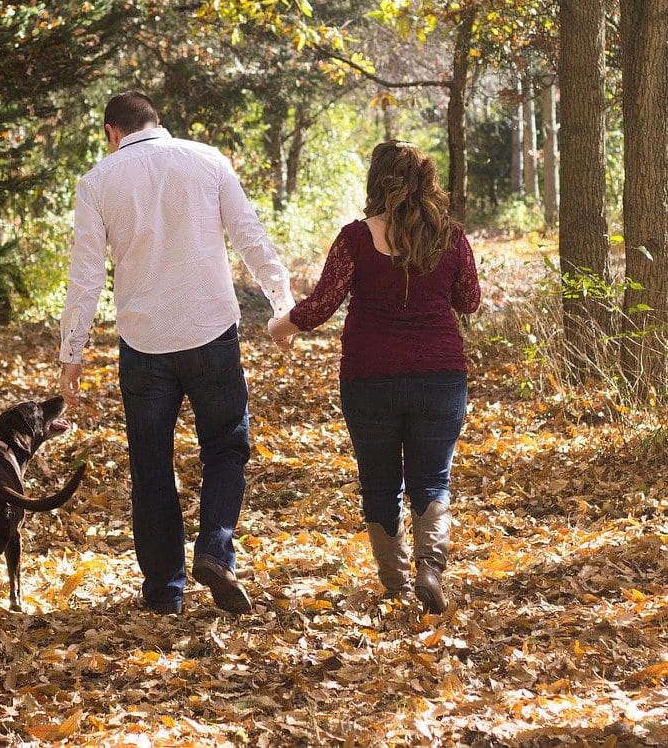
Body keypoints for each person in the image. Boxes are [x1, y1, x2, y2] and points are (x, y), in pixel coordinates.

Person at [59, 91, 293, 615]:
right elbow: (250, 237)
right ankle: (214, 547)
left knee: (150, 465)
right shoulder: (207, 160)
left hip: (144, 346)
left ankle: (165, 591)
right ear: (156, 122)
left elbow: (86, 274)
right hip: (211, 332)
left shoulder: (97, 182)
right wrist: (283, 304)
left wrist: (71, 350)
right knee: (227, 447)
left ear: (110, 131)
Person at [268, 141, 480, 614]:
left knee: (380, 482)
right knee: (433, 479)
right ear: (427, 182)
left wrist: (277, 327)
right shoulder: (450, 236)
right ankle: (430, 566)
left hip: (370, 378)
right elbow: (469, 301)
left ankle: (396, 582)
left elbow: (321, 306)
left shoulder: (356, 238)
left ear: (376, 181)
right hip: (440, 377)